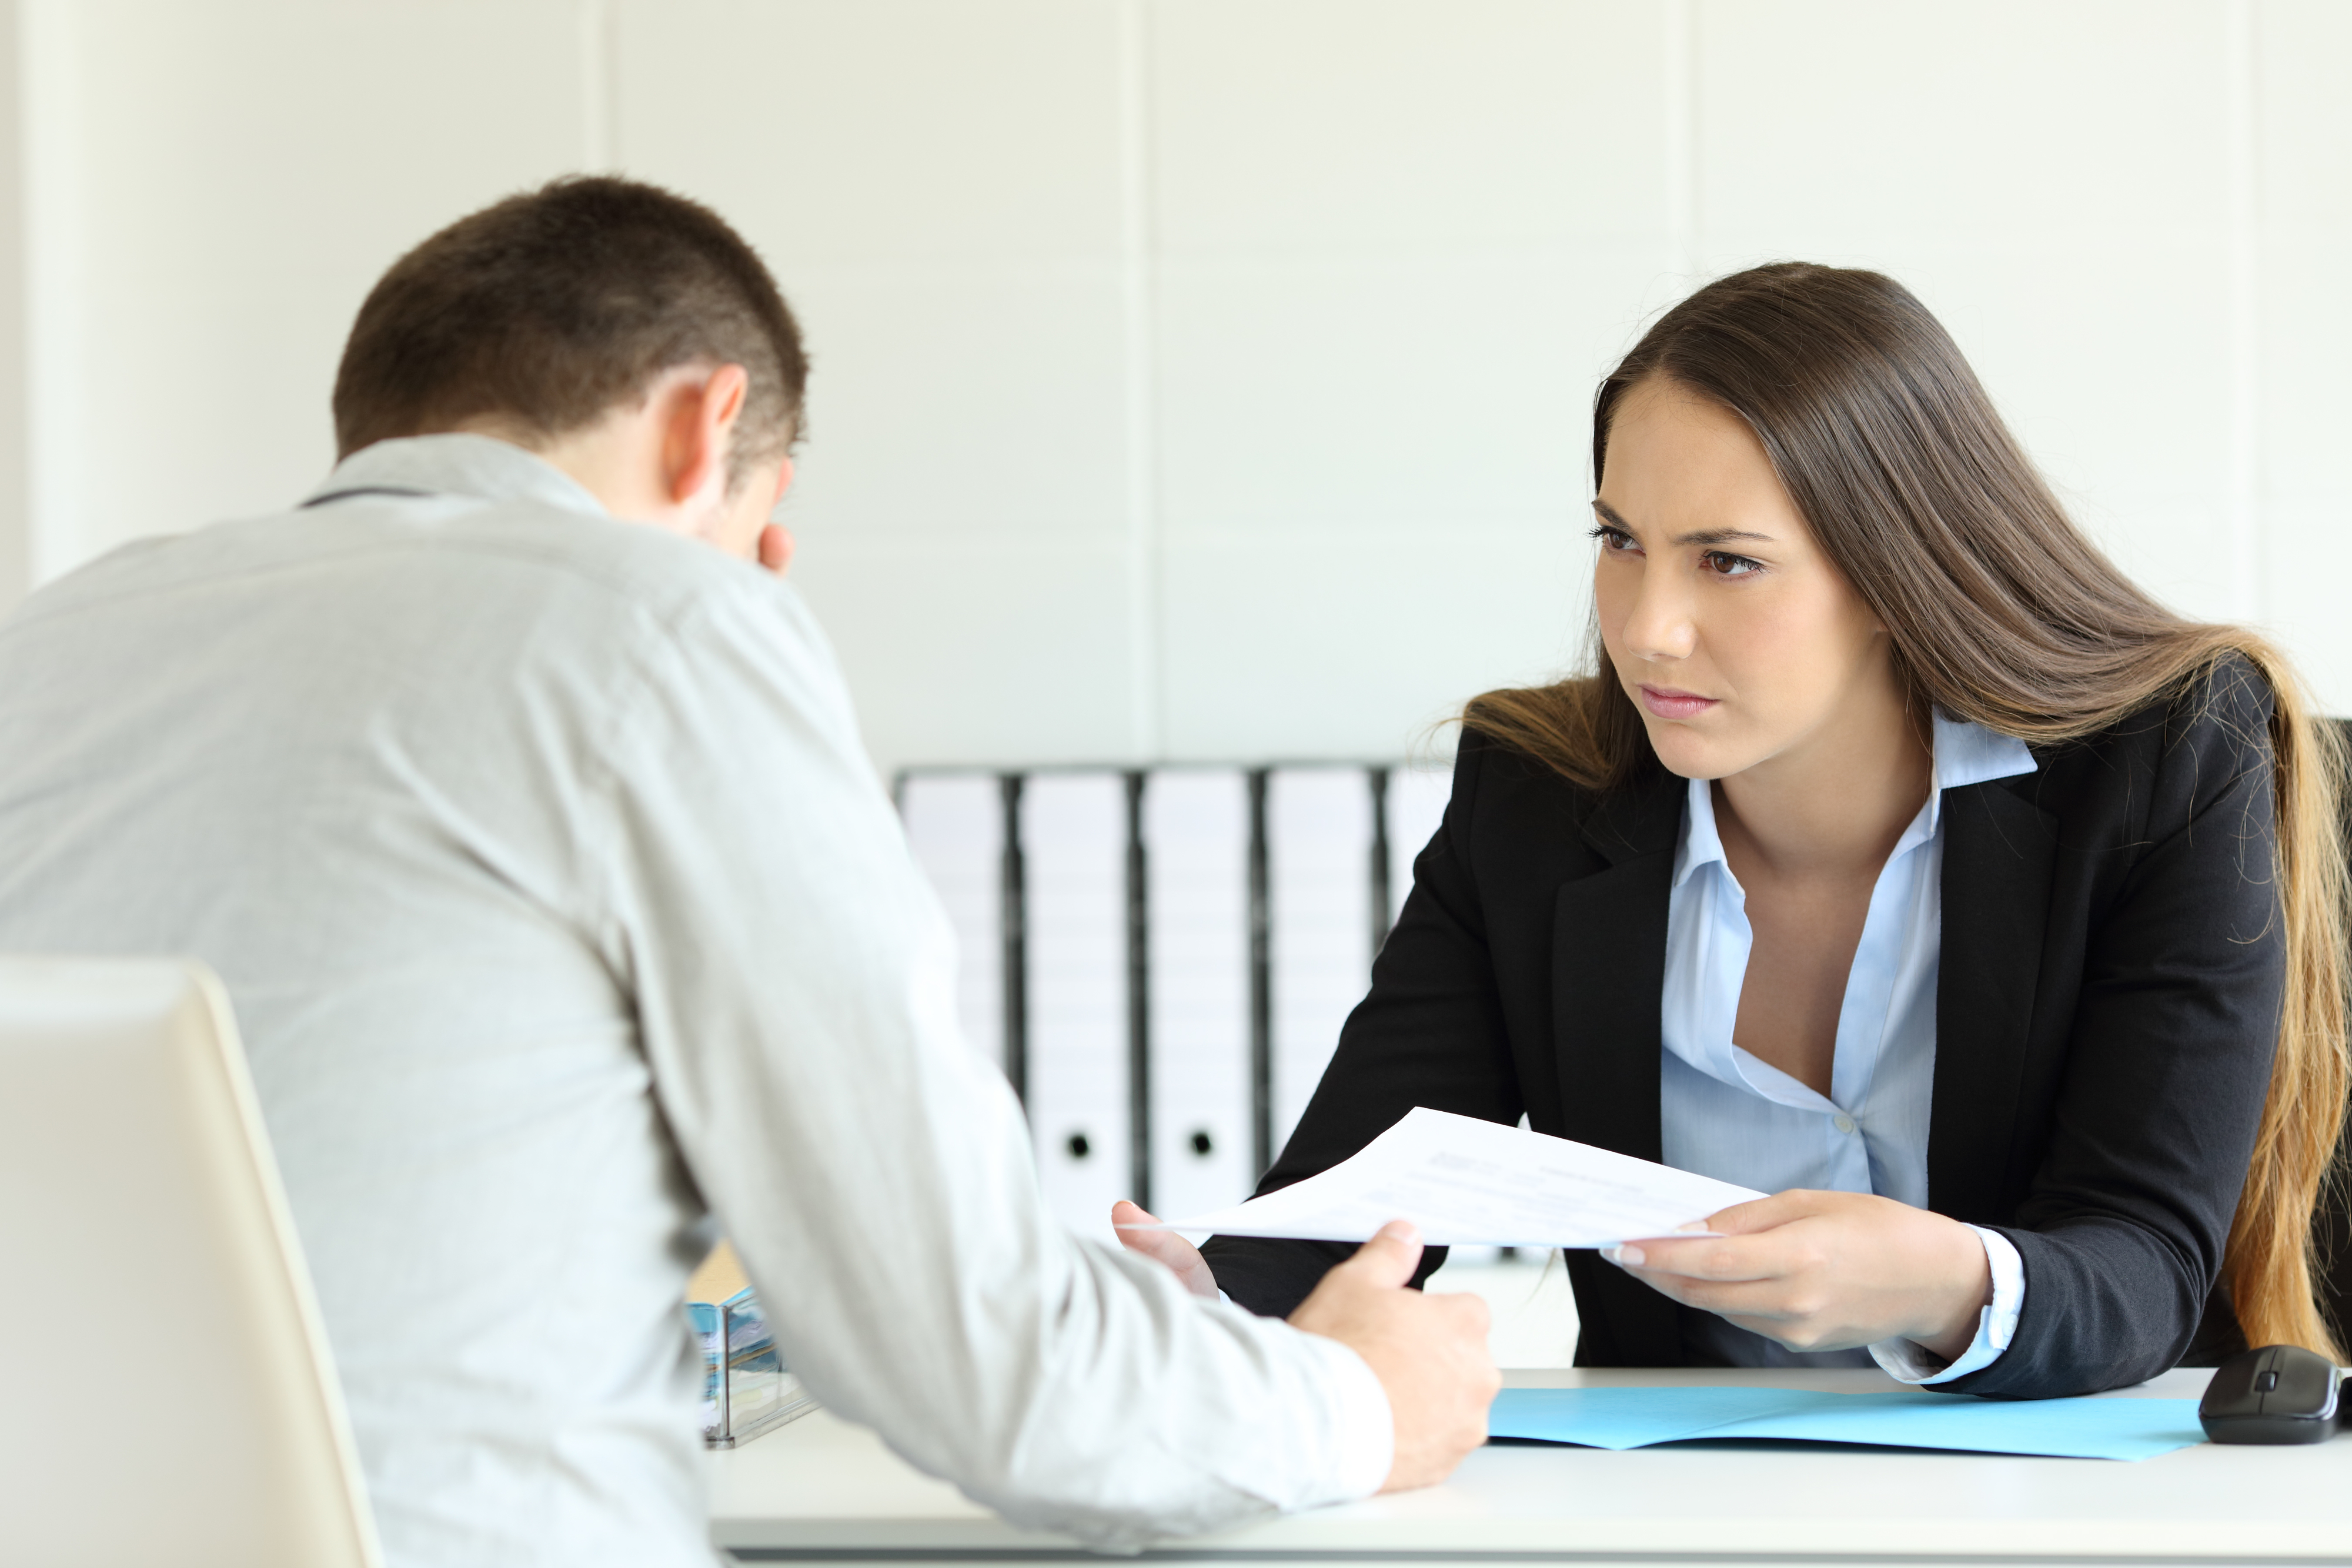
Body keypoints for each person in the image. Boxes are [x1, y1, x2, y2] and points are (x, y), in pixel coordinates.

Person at [0, 177, 1497, 1567]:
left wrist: (1128, 1327)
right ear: (703, 427)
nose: (765, 560)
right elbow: (997, 1377)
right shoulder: (649, 624)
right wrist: (1361, 1395)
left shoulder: (56, 646)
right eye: (760, 509)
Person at [1118, 262, 2349, 1396]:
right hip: (1687, 1497)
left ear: (1893, 568)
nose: (1646, 626)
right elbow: (1361, 1198)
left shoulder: (2161, 758)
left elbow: (2143, 1259)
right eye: (1618, 542)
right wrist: (1213, 1307)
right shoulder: (1534, 795)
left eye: (1726, 561)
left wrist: (1942, 1280)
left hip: (2075, 1498)